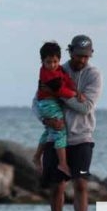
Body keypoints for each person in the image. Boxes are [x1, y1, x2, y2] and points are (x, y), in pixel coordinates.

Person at [32, 35, 103, 211]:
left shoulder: (94, 75)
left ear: (90, 55)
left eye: (85, 56)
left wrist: (58, 93)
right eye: (78, 55)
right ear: (70, 52)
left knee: (81, 184)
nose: (81, 60)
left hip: (82, 137)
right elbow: (36, 102)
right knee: (57, 186)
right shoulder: (55, 68)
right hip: (56, 135)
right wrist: (45, 119)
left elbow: (85, 107)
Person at [32, 41, 84, 178]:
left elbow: (66, 80)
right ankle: (62, 163)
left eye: (55, 61)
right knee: (60, 131)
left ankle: (37, 156)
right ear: (42, 61)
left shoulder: (58, 69)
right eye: (49, 62)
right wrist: (74, 94)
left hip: (51, 102)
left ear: (59, 60)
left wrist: (76, 90)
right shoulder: (47, 75)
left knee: (49, 131)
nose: (52, 65)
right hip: (47, 103)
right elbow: (60, 90)